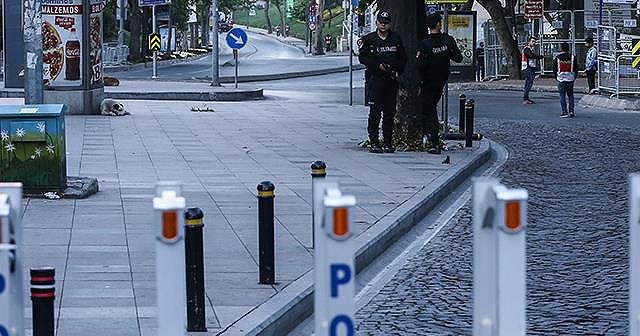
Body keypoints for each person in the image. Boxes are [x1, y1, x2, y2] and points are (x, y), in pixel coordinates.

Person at [358, 10, 407, 153]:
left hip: (391, 80)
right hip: (375, 80)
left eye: (386, 23)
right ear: (376, 23)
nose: (383, 25)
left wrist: (395, 69)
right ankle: (374, 142)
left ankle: (387, 142)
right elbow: (363, 58)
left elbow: (403, 58)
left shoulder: (395, 38)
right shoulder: (370, 39)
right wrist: (376, 65)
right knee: (375, 113)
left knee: (389, 113)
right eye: (381, 22)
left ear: (389, 24)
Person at [416, 13, 463, 155]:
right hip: (440, 80)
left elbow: (420, 65)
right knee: (429, 109)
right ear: (438, 24)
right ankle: (430, 138)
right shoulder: (448, 41)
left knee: (429, 110)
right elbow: (458, 58)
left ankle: (432, 140)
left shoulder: (425, 44)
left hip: (427, 81)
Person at [553, 42, 579, 118]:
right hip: (570, 79)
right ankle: (571, 111)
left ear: (561, 48)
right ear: (569, 48)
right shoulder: (573, 57)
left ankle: (564, 111)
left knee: (562, 96)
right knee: (570, 95)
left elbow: (554, 69)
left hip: (561, 79)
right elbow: (576, 68)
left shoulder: (558, 58)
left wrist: (556, 77)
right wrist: (574, 77)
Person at [521, 36, 544, 104]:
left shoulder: (530, 49)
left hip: (530, 67)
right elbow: (531, 56)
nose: (534, 43)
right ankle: (525, 98)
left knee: (528, 82)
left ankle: (526, 97)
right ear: (529, 42)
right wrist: (539, 57)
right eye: (533, 41)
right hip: (527, 67)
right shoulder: (527, 49)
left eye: (535, 41)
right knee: (529, 82)